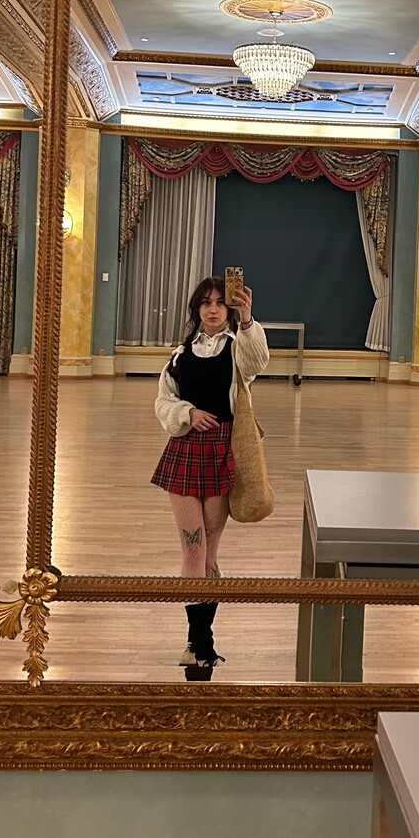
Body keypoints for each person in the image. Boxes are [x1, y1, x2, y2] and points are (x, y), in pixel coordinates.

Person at [151, 275, 269, 666]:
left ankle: (198, 646)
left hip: (222, 453)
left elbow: (257, 363)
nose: (213, 309)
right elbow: (163, 401)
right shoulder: (179, 355)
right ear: (196, 309)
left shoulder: (238, 348)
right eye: (206, 302)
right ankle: (201, 645)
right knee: (193, 549)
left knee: (210, 555)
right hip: (185, 453)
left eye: (220, 302)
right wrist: (187, 413)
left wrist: (247, 319)